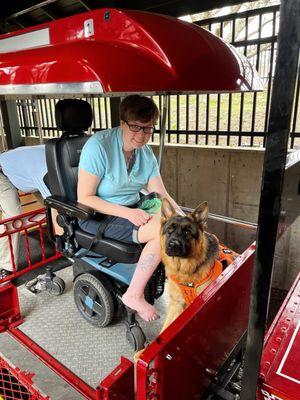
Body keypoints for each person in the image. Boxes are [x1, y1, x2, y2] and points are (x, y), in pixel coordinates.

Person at [78, 95, 183, 322]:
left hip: (133, 208)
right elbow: (85, 197)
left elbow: (161, 194)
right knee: (162, 230)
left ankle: (183, 283)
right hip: (99, 215)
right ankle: (133, 295)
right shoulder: (99, 146)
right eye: (135, 127)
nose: (142, 135)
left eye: (148, 129)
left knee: (176, 224)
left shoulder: (144, 153)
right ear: (122, 122)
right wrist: (128, 213)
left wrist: (185, 218)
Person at [0, 145, 51, 279]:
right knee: (13, 220)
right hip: (2, 173)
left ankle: (61, 240)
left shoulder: (62, 150)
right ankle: (6, 266)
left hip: (21, 168)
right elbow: (54, 202)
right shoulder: (42, 170)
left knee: (53, 207)